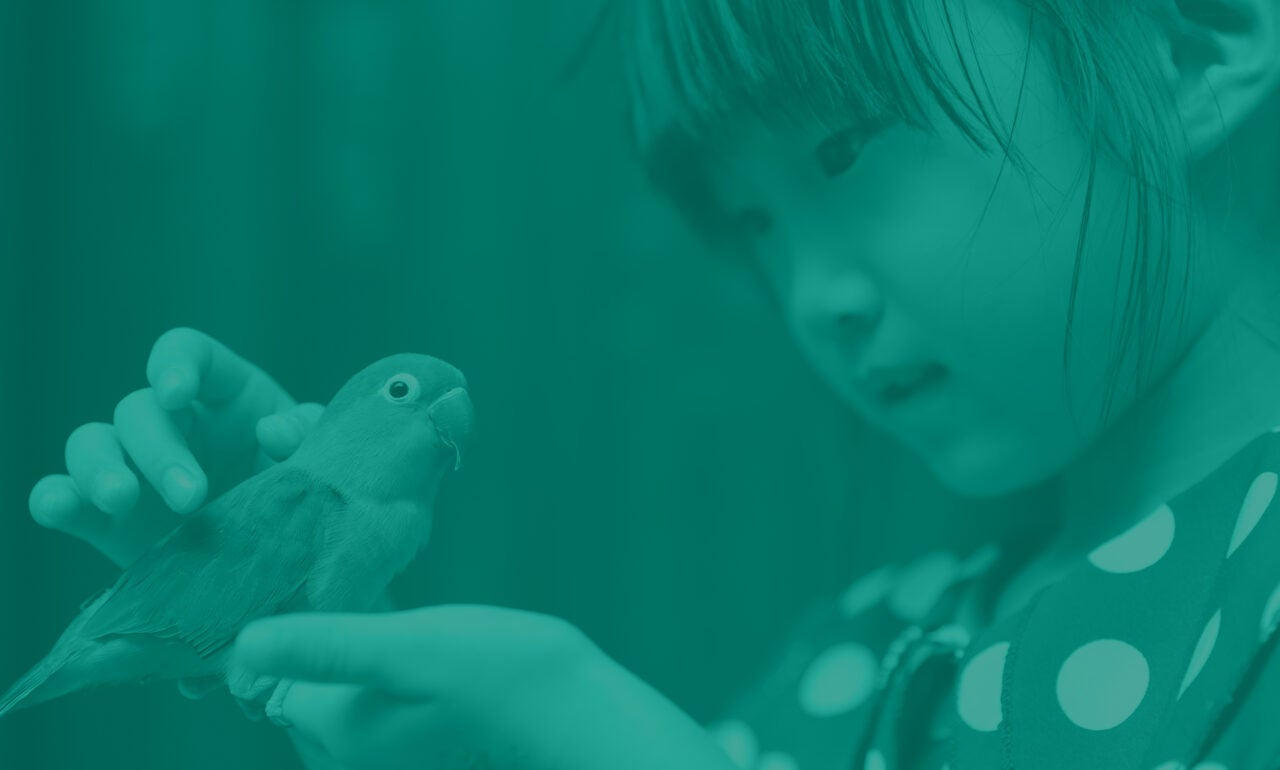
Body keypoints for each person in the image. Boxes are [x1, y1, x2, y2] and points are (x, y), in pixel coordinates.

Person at [21, 0, 1280, 767]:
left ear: (1194, 47)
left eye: (842, 149)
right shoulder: (854, 650)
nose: (811, 294)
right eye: (749, 224)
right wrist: (376, 660)